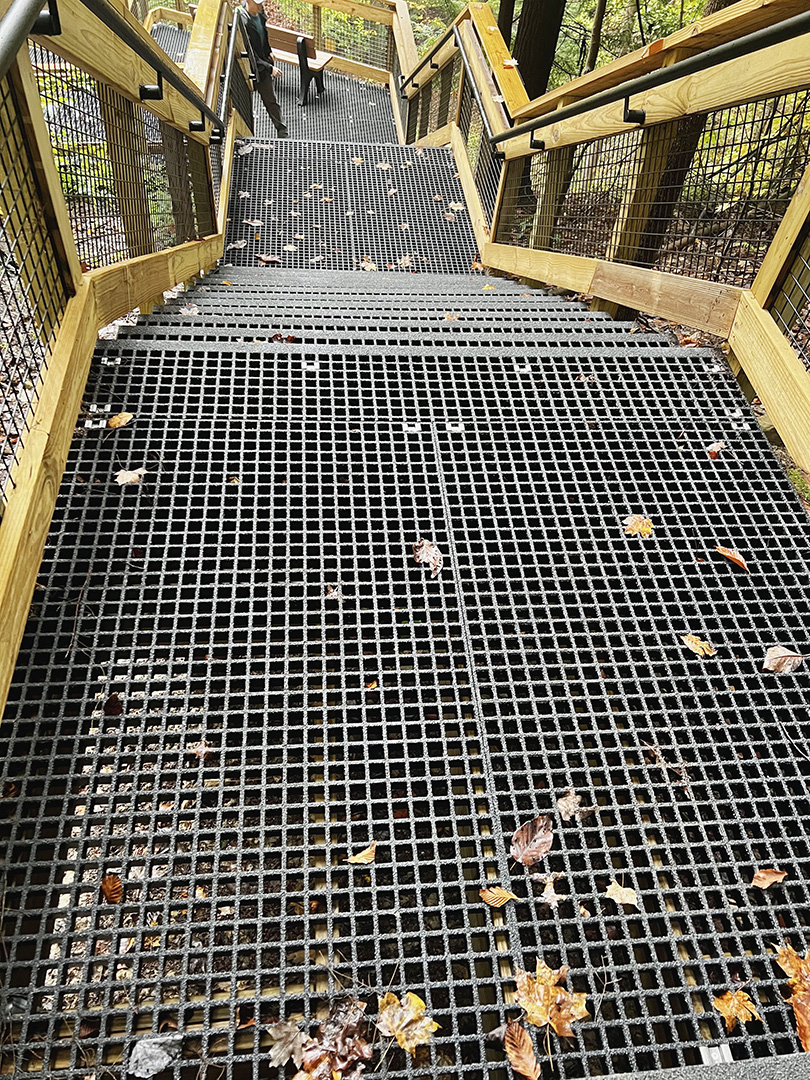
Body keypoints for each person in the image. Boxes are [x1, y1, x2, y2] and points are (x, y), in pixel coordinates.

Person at [238, 0, 289, 138]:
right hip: (249, 68)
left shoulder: (260, 14)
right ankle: (246, 134)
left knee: (270, 100)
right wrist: (269, 67)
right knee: (244, 104)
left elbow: (263, 36)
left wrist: (268, 51)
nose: (261, 5)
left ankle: (282, 132)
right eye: (257, 3)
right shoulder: (242, 21)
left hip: (262, 64)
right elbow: (249, 52)